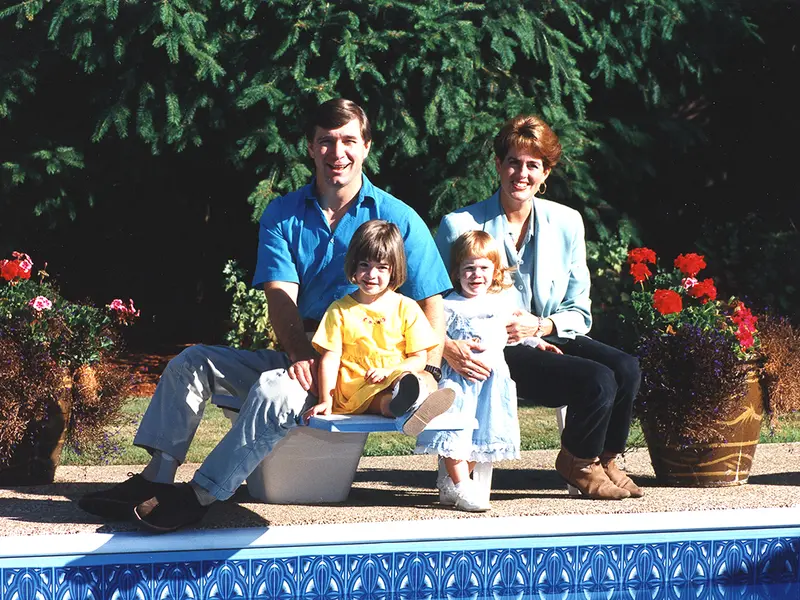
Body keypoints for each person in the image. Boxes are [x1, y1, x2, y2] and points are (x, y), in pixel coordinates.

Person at [79, 99, 452, 532]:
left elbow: (430, 301)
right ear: (310, 148)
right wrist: (299, 355)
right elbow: (281, 297)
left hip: (367, 371)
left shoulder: (399, 219)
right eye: (326, 141)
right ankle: (156, 481)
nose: (338, 152)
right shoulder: (283, 214)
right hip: (307, 352)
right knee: (192, 362)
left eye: (349, 140)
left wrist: (428, 368)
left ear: (366, 146)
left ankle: (199, 496)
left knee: (277, 394)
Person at [435, 115, 643, 500]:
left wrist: (542, 326)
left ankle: (605, 459)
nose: (521, 173)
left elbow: (579, 311)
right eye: (513, 161)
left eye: (533, 165)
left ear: (546, 171)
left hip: (547, 332)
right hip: (492, 348)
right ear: (498, 165)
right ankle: (577, 462)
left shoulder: (567, 222)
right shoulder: (459, 224)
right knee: (597, 380)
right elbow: (432, 302)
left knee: (626, 368)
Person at [416, 230, 564, 512]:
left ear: (495, 271)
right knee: (455, 435)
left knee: (482, 436)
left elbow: (514, 333)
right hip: (458, 383)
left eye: (483, 267)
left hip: (491, 383)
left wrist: (537, 342)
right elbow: (429, 333)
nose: (476, 275)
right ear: (456, 272)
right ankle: (462, 486)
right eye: (468, 268)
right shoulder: (447, 306)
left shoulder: (500, 305)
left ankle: (449, 483)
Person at [305, 219, 455, 433]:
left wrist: (390, 371)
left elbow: (419, 358)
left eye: (381, 267)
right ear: (354, 266)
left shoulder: (407, 307)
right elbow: (330, 358)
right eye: (364, 265)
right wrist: (325, 399)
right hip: (357, 387)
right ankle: (412, 406)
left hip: (397, 375)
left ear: (394, 270)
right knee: (384, 403)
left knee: (415, 379)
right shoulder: (339, 310)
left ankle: (415, 402)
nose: (371, 275)